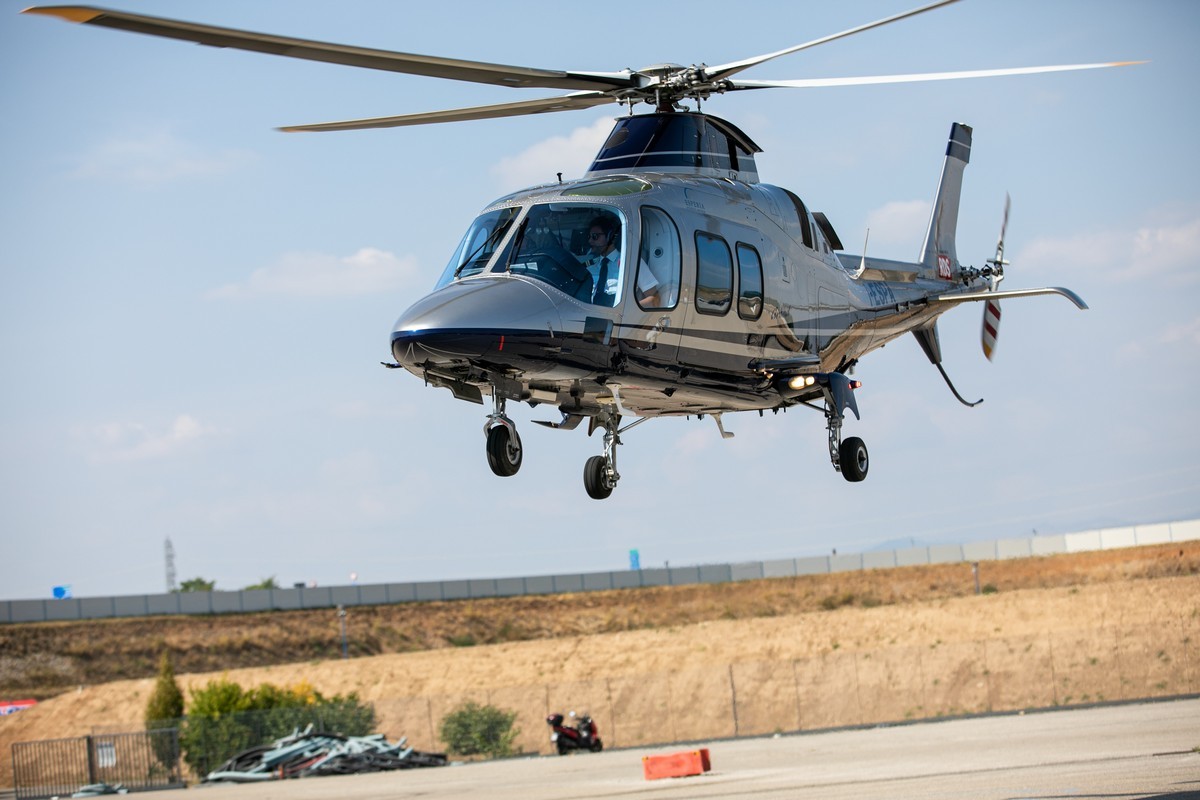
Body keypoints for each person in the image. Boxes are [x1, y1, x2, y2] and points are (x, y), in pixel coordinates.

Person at [581, 215, 621, 306]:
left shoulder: (628, 263)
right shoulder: (589, 269)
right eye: (589, 237)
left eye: (595, 236)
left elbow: (652, 297)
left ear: (610, 237)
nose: (590, 241)